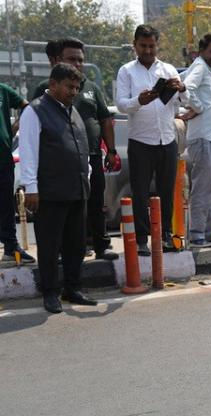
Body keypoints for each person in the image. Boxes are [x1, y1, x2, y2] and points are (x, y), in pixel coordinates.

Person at [33, 38, 119, 261]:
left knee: (96, 203)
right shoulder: (44, 89)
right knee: (66, 209)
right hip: (59, 164)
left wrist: (111, 150)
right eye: (72, 59)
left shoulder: (91, 88)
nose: (77, 64)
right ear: (58, 61)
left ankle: (101, 245)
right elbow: (34, 124)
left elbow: (105, 119)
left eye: (81, 60)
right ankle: (68, 250)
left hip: (91, 157)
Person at [20, 64, 94, 313]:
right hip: (50, 190)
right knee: (50, 245)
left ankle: (73, 288)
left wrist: (88, 177)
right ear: (53, 85)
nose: (74, 92)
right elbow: (29, 150)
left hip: (77, 188)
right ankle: (50, 292)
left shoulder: (72, 111)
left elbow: (80, 148)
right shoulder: (35, 111)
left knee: (76, 243)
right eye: (69, 87)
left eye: (76, 87)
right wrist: (31, 187)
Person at [115, 24, 190, 256]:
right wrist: (139, 100)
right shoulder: (126, 71)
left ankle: (166, 234)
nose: (148, 50)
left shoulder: (168, 69)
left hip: (167, 139)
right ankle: (141, 240)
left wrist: (182, 88)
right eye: (143, 46)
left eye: (151, 46)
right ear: (135, 45)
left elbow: (186, 101)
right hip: (140, 141)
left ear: (157, 45)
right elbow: (121, 104)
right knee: (140, 192)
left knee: (167, 191)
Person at [181, 33, 211, 246]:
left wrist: (195, 108)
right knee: (203, 187)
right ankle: (197, 232)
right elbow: (185, 87)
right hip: (203, 137)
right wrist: (196, 108)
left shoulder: (206, 70)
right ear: (201, 51)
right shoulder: (199, 67)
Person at [0, 74, 32, 263]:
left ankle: (11, 249)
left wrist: (13, 128)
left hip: (3, 158)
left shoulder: (3, 90)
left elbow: (26, 106)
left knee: (5, 205)